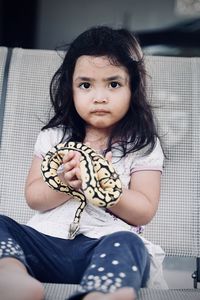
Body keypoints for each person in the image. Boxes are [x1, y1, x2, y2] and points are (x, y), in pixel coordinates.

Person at [0, 26, 167, 300]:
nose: (99, 97)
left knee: (129, 244)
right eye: (86, 85)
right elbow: (33, 197)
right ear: (71, 88)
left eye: (113, 84)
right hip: (44, 245)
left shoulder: (142, 145)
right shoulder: (53, 137)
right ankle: (11, 275)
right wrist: (65, 182)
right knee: (2, 224)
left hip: (102, 246)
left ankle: (103, 292)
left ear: (132, 87)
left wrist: (103, 188)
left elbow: (144, 211)